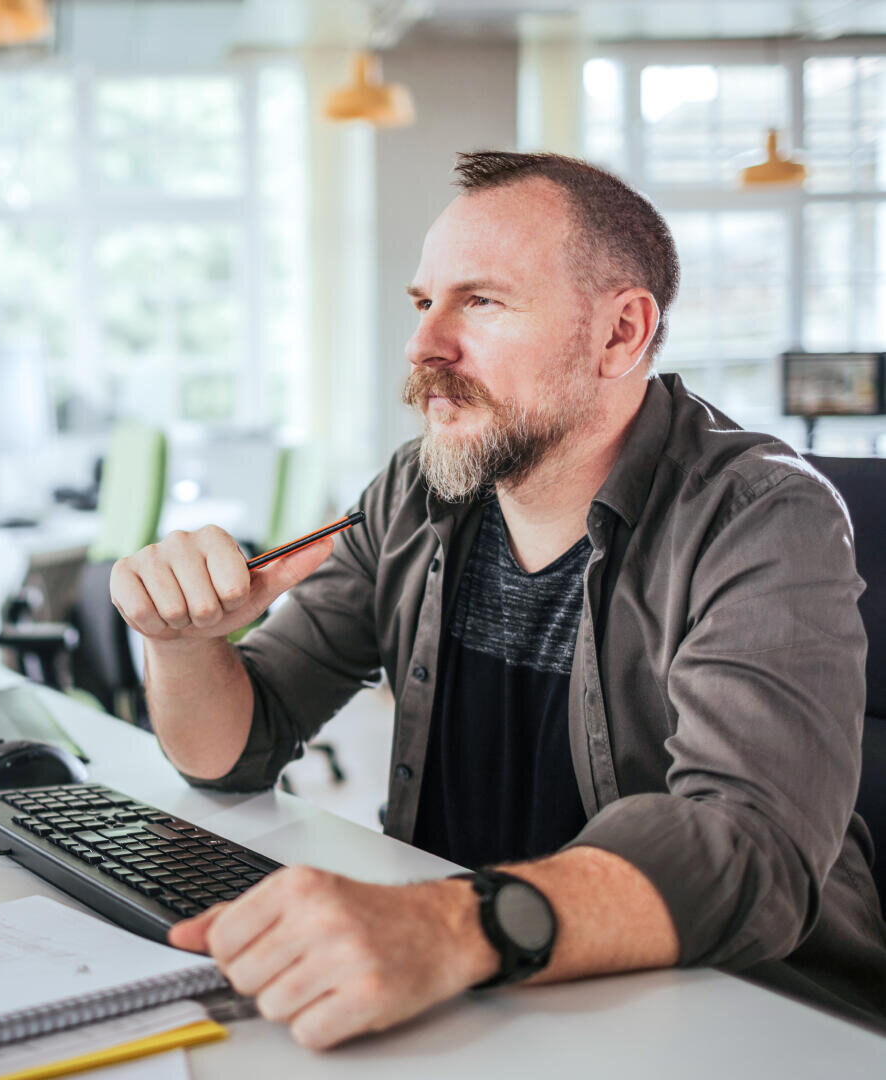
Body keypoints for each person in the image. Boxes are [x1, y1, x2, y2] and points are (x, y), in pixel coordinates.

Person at [111, 150, 886, 1049]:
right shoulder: (417, 490)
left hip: (733, 1018)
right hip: (480, 997)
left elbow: (745, 847)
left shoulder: (760, 515)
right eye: (422, 303)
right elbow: (238, 748)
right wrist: (180, 644)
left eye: (480, 301)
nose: (423, 344)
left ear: (620, 335)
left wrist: (449, 925)